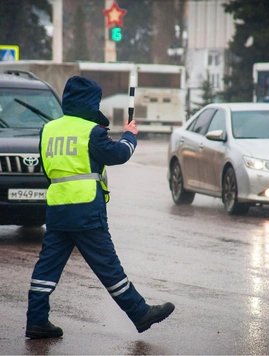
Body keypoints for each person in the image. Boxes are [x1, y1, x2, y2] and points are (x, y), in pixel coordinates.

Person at [25, 76, 175, 339]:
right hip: (86, 212)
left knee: (46, 269)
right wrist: (130, 135)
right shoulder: (91, 131)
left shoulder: (47, 130)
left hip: (58, 209)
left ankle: (36, 321)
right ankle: (140, 313)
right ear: (89, 102)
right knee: (108, 267)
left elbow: (48, 171)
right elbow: (118, 155)